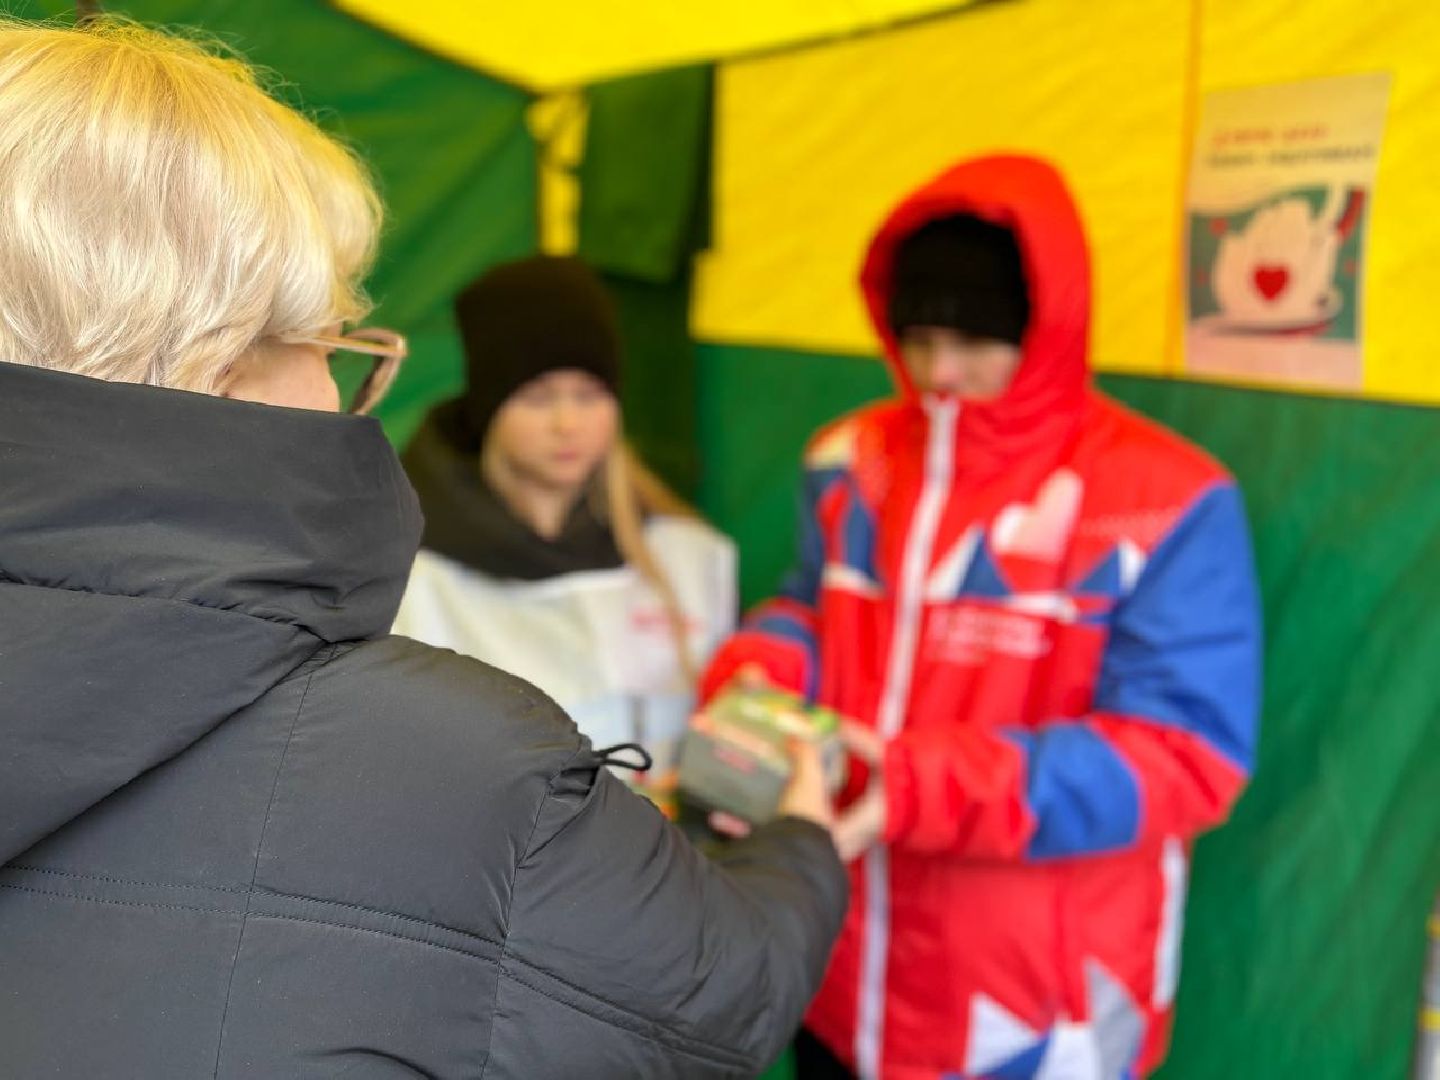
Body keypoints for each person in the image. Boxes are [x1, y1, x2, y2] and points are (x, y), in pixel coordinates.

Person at [0, 19, 846, 1079]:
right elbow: (720, 988)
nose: (339, 398)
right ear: (225, 363)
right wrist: (805, 843)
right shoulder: (467, 769)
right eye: (330, 340)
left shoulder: (684, 562)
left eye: (592, 393)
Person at [700, 154, 1262, 1079]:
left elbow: (1185, 758)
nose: (941, 373)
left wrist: (925, 787)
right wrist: (762, 673)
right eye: (917, 340)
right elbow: (807, 603)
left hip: (1035, 1010)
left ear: (1045, 324)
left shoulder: (1169, 500)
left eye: (974, 340)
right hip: (838, 963)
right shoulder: (848, 459)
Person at [393, 255, 734, 798]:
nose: (567, 423)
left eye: (589, 395)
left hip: (670, 867)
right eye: (538, 397)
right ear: (488, 407)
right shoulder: (417, 580)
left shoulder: (693, 560)